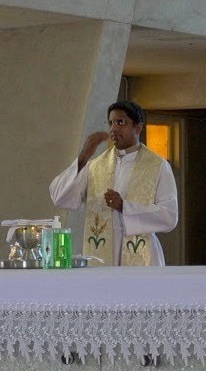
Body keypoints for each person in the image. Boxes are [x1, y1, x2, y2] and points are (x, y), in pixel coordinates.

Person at [49, 100, 179, 266]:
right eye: (111, 123)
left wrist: (124, 207)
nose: (114, 128)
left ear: (138, 128)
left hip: (142, 258)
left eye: (121, 122)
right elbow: (60, 198)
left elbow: (169, 216)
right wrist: (83, 158)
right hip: (101, 258)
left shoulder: (158, 166)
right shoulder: (95, 166)